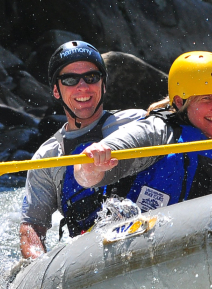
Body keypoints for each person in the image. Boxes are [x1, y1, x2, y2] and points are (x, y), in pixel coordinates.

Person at [71, 51, 212, 213]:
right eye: (206, 98)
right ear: (179, 101)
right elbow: (84, 175)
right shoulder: (156, 133)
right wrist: (92, 162)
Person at [19, 40, 147, 259]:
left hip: (153, 235)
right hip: (93, 259)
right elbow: (32, 226)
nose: (83, 87)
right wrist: (38, 265)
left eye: (91, 77)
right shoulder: (48, 157)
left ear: (103, 85)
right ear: (56, 91)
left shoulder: (139, 122)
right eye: (70, 79)